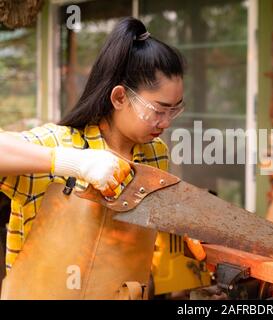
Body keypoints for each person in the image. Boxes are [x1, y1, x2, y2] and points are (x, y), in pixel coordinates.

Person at [0, 17, 203, 285]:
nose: (166, 123)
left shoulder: (155, 153)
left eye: (174, 110)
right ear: (119, 97)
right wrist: (72, 162)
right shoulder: (58, 143)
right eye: (158, 110)